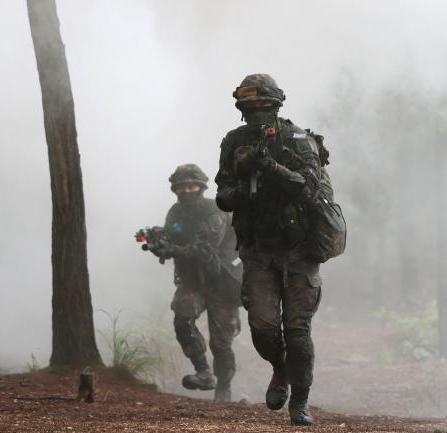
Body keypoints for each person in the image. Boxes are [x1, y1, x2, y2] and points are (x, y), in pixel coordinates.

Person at [215, 74, 334, 426]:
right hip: (259, 250)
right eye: (249, 108)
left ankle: (300, 402)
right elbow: (222, 193)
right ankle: (280, 369)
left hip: (299, 250)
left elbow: (308, 187)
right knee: (263, 328)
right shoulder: (234, 143)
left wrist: (270, 167)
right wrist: (246, 186)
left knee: (298, 333)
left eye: (263, 107)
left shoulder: (298, 139)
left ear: (276, 105)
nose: (256, 114)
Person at [143, 163, 242, 402]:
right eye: (181, 187)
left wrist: (172, 248)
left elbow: (205, 249)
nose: (186, 191)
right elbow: (169, 238)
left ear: (201, 187)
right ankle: (203, 372)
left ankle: (224, 388)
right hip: (191, 281)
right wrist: (159, 244)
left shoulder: (215, 210)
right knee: (183, 320)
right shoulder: (175, 212)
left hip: (221, 282)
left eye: (191, 186)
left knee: (221, 344)